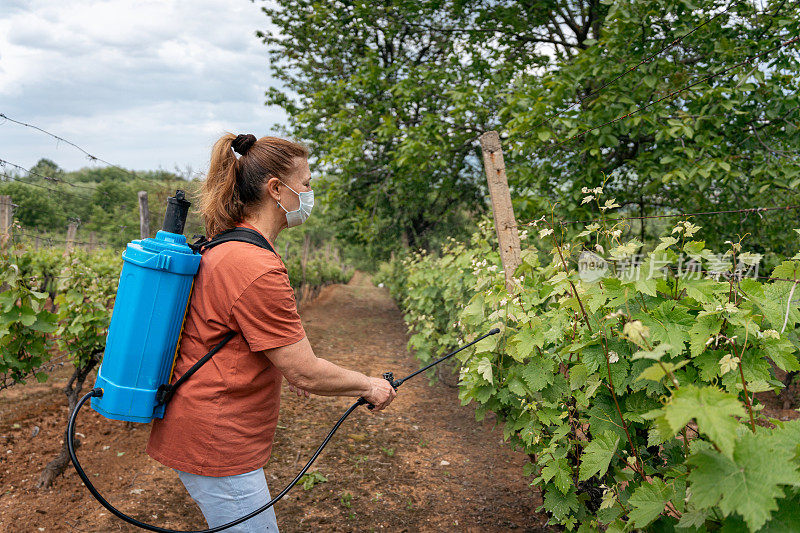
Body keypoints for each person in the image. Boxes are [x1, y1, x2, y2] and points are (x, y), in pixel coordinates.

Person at [146, 133, 397, 532]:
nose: (310, 193)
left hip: (203, 427)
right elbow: (306, 372)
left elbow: (235, 336)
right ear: (276, 189)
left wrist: (284, 365)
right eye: (308, 184)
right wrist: (368, 385)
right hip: (218, 440)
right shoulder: (255, 266)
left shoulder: (224, 246)